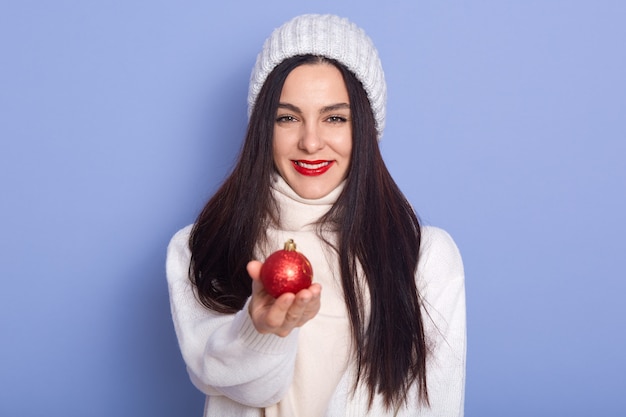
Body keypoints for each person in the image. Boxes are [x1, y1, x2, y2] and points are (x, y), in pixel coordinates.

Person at [166, 14, 466, 417]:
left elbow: (439, 407)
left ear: (364, 129)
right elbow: (232, 383)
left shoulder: (424, 256)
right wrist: (264, 331)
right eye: (287, 117)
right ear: (263, 129)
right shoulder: (203, 246)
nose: (310, 141)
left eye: (335, 118)